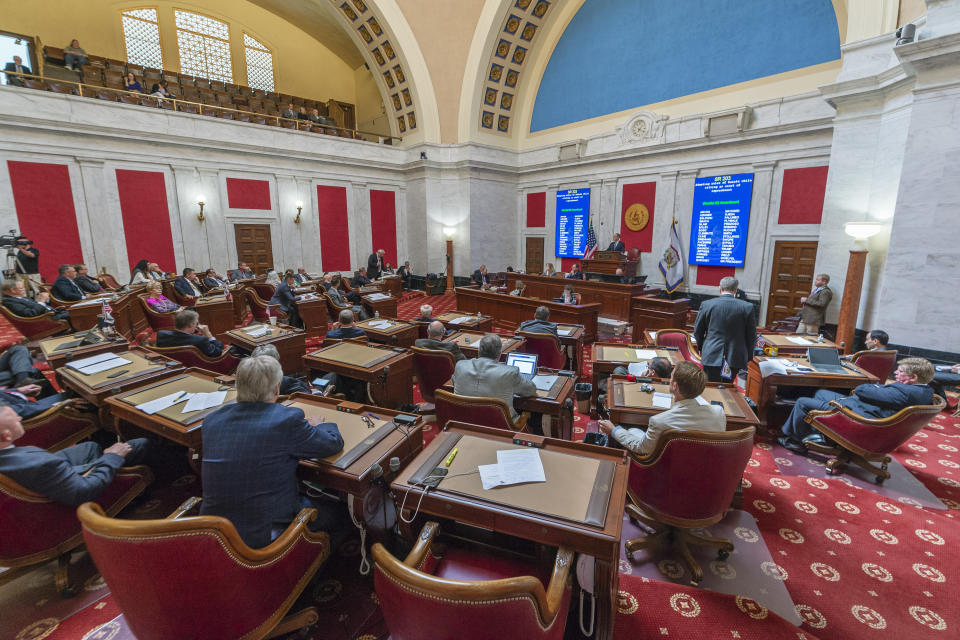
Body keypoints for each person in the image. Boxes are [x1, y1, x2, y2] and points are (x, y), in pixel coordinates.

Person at [199, 356, 347, 549]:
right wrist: (321, 425)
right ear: (277, 389)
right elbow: (332, 444)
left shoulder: (211, 421)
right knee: (342, 516)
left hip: (213, 530)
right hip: (263, 535)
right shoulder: (285, 420)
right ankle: (308, 565)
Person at [778, 357, 935, 455]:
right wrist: (877, 389)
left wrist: (875, 388)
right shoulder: (925, 390)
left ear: (913, 377)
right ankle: (824, 436)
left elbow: (861, 390)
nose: (895, 374)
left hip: (858, 417)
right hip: (864, 408)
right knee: (820, 392)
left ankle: (794, 441)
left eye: (900, 372)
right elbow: (877, 394)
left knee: (802, 402)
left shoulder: (904, 393)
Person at [0, 406, 148, 506]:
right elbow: (82, 491)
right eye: (15, 419)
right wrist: (112, 457)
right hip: (75, 489)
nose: (20, 418)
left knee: (91, 447)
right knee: (141, 443)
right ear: (6, 436)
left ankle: (103, 459)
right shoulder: (37, 465)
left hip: (51, 474)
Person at [598, 361, 725, 455]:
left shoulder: (659, 421)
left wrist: (614, 430)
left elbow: (641, 447)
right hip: (705, 473)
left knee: (630, 428)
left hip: (667, 473)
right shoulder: (719, 412)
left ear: (674, 386)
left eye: (671, 377)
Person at [453, 334, 536, 419]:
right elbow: (531, 390)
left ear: (478, 350)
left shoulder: (460, 365)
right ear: (500, 354)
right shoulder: (510, 372)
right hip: (500, 426)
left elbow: (454, 381)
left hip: (464, 421)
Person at [693, 276, 757, 382]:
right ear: (736, 290)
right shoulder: (747, 307)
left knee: (710, 386)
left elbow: (698, 331)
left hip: (711, 354)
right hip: (735, 356)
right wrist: (749, 356)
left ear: (719, 288)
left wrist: (701, 348)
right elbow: (751, 336)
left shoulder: (707, 305)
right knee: (729, 389)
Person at [156, 309, 224, 357]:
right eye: (196, 323)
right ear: (191, 325)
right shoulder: (200, 340)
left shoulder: (161, 334)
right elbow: (218, 352)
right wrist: (209, 335)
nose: (197, 325)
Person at [1, 278, 71, 322]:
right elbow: (30, 314)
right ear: (12, 290)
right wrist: (42, 300)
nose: (25, 290)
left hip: (54, 314)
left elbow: (39, 306)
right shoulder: (9, 301)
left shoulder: (23, 297)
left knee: (77, 311)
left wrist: (46, 299)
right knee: (78, 314)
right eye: (22, 288)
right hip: (46, 320)